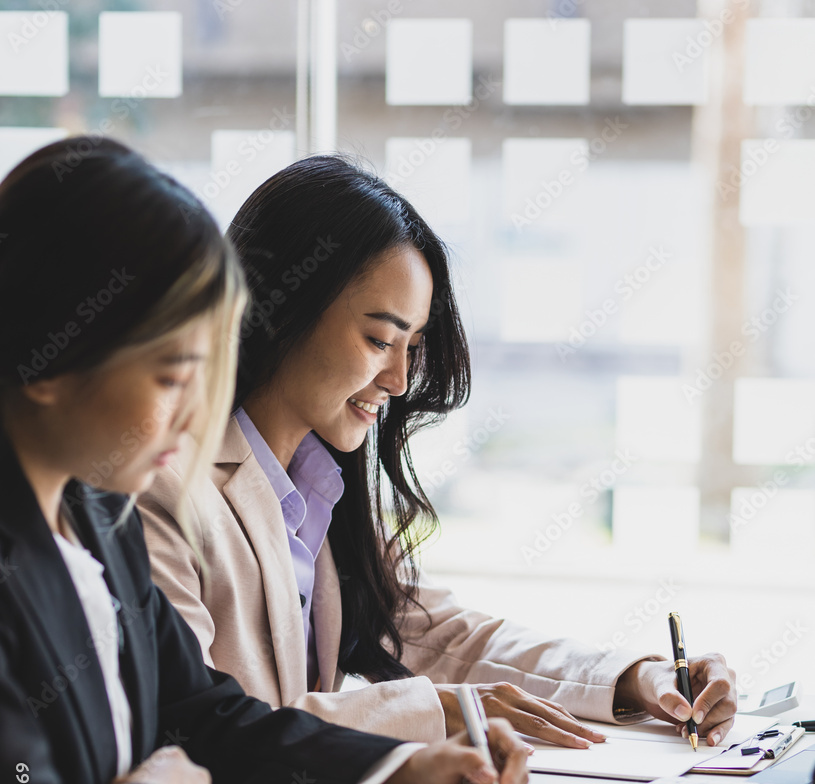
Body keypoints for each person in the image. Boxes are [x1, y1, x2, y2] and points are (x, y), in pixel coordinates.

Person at [0, 138, 528, 784]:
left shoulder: (98, 522)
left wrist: (398, 771)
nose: (199, 409)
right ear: (48, 357)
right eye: (174, 375)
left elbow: (208, 722)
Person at [139, 155, 737, 749]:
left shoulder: (314, 488)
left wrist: (639, 680)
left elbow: (443, 639)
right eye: (379, 339)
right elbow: (199, 727)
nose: (399, 380)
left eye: (412, 346)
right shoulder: (160, 488)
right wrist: (430, 711)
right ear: (277, 309)